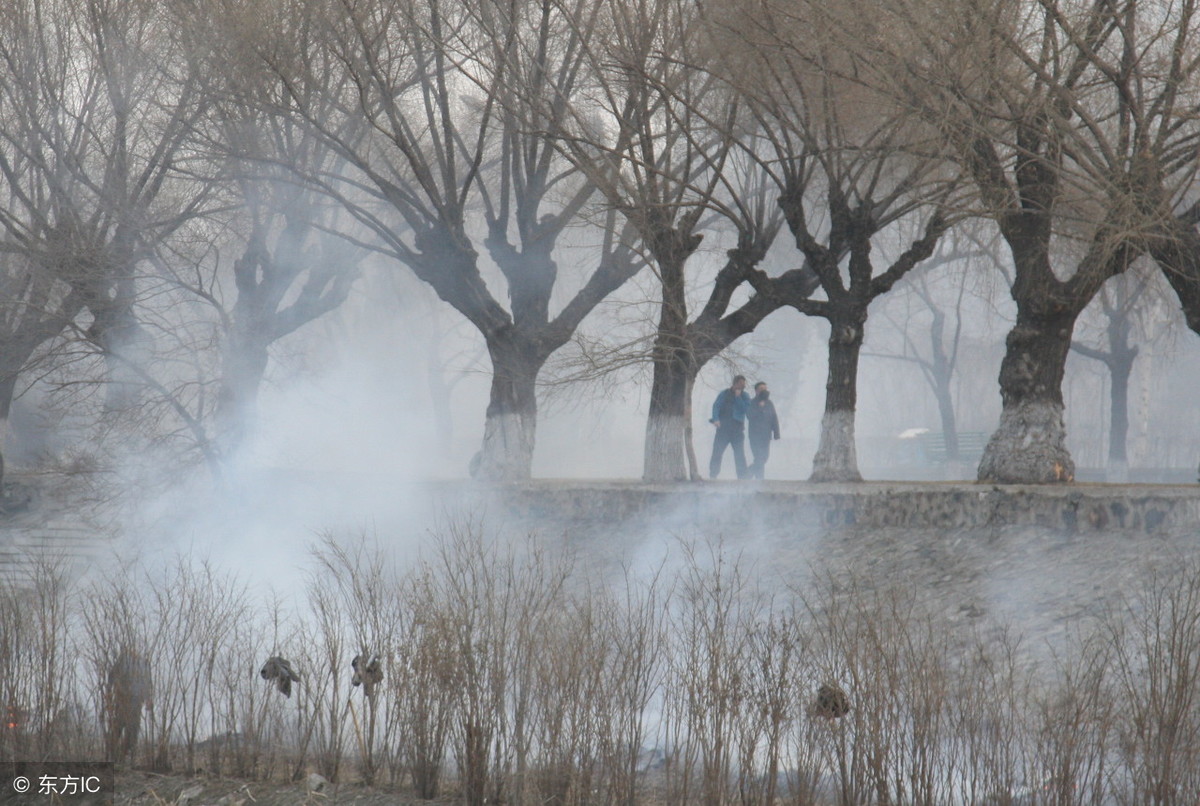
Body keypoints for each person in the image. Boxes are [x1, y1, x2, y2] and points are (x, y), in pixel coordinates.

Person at [709, 375, 751, 479]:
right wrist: (716, 419)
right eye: (740, 384)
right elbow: (716, 406)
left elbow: (746, 409)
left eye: (743, 385)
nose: (742, 387)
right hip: (723, 429)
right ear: (735, 383)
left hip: (737, 430)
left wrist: (738, 397)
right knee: (717, 452)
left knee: (739, 454)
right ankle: (713, 475)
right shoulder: (724, 394)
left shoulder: (745, 396)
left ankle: (742, 477)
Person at [746, 381, 781, 479]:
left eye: (765, 389)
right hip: (754, 435)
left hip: (766, 435)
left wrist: (776, 433)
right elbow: (749, 416)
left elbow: (774, 418)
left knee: (764, 457)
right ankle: (760, 479)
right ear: (756, 391)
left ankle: (750, 471)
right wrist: (760, 408)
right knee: (759, 457)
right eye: (761, 389)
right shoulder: (752, 402)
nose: (764, 391)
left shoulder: (769, 403)